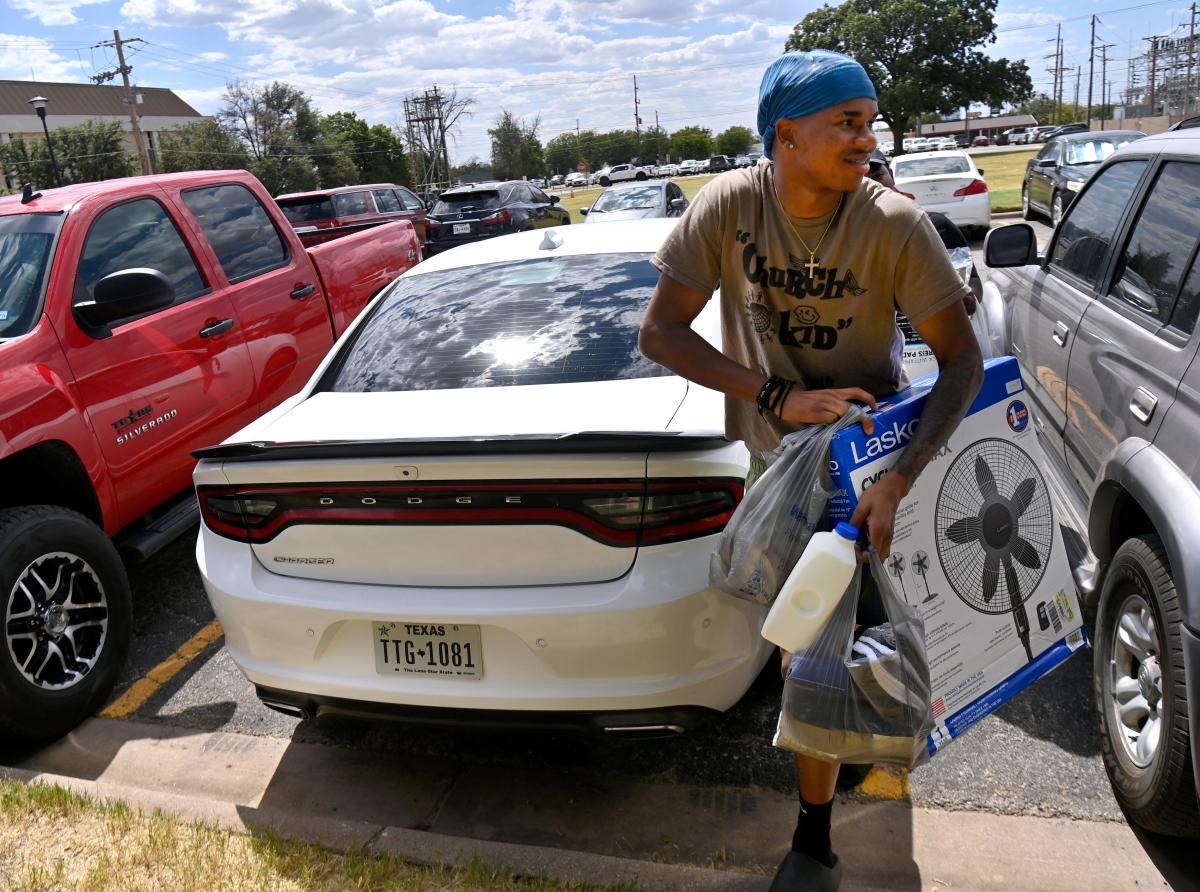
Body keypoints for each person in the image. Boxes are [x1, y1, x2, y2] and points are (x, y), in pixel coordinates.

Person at [639, 50, 983, 892]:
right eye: (848, 123)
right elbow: (662, 333)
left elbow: (963, 362)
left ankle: (815, 836)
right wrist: (773, 395)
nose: (868, 139)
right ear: (785, 136)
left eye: (872, 122)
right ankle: (820, 827)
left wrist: (901, 478)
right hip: (778, 461)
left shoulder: (895, 224)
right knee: (808, 651)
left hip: (874, 464)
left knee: (843, 651)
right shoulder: (727, 208)